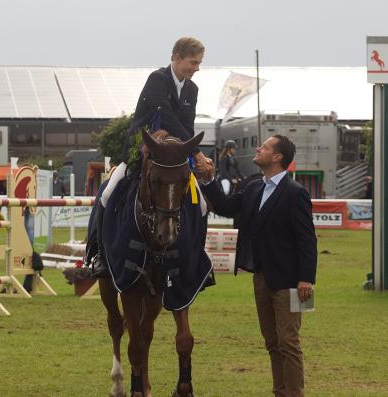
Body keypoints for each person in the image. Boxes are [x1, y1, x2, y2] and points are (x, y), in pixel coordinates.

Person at [201, 135, 317, 397]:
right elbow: (226, 207)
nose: (257, 148)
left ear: (277, 157)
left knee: (288, 342)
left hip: (289, 281)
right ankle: (281, 392)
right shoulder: (253, 187)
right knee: (272, 343)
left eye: (264, 147)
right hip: (261, 278)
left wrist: (305, 279)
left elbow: (306, 239)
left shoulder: (295, 193)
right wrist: (208, 180)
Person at [89, 36, 214, 277]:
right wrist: (197, 153)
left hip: (174, 157)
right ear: (176, 58)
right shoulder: (157, 79)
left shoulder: (192, 89)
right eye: (193, 62)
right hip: (142, 149)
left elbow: (186, 126)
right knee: (107, 193)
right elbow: (164, 115)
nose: (197, 68)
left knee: (202, 205)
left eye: (199, 63)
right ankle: (98, 254)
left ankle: (199, 257)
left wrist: (194, 152)